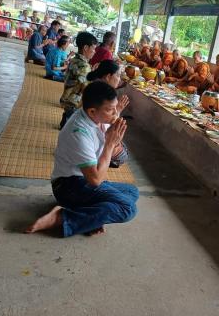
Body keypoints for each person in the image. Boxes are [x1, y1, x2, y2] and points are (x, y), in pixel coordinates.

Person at [26, 82, 139, 237]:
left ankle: (89, 218)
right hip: (69, 186)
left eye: (116, 108)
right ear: (92, 111)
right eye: (110, 110)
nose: (115, 114)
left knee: (132, 191)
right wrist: (109, 144)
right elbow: (95, 180)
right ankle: (62, 218)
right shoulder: (79, 132)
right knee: (128, 209)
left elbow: (117, 158)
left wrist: (114, 116)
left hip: (82, 182)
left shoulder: (97, 118)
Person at [86, 60, 130, 168]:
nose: (119, 80)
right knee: (122, 155)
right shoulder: (99, 94)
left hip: (95, 130)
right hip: (93, 138)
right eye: (118, 75)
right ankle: (105, 157)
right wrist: (110, 145)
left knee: (122, 147)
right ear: (108, 76)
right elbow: (95, 180)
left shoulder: (98, 87)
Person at [59, 31, 98, 129]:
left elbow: (79, 79)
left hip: (67, 98)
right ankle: (66, 123)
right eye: (93, 48)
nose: (95, 51)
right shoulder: (84, 66)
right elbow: (86, 88)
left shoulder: (75, 59)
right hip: (74, 103)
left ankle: (65, 120)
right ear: (85, 48)